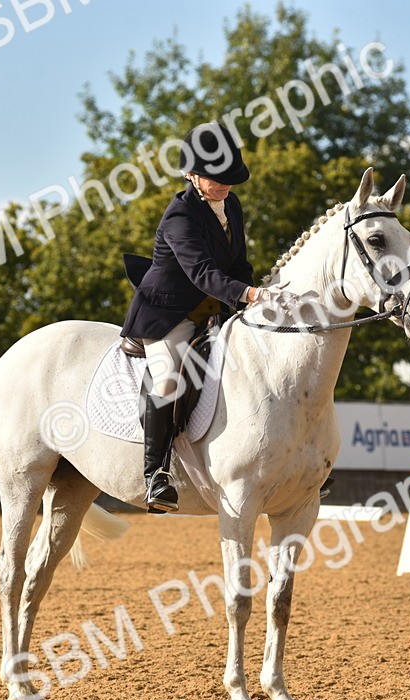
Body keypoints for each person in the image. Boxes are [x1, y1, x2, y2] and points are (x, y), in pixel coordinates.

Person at [120, 122, 281, 514]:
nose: (225, 185)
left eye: (230, 178)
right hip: (168, 314)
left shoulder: (232, 206)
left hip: (217, 310)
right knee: (170, 378)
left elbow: (238, 262)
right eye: (216, 178)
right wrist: (250, 294)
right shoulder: (180, 216)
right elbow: (203, 274)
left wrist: (253, 295)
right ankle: (156, 475)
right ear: (191, 175)